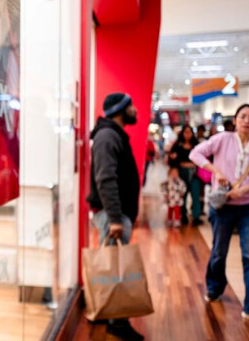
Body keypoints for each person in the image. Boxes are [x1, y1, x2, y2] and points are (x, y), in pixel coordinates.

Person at [190, 104, 249, 326]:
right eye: (242, 116)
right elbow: (195, 153)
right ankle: (214, 288)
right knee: (218, 252)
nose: (246, 121)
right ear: (235, 120)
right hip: (223, 206)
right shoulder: (222, 139)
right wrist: (216, 171)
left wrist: (244, 190)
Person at [87, 92, 143, 341]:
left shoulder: (113, 134)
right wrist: (116, 218)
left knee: (112, 267)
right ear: (121, 109)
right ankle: (116, 323)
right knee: (114, 269)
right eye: (131, 106)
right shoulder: (108, 136)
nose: (135, 110)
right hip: (114, 215)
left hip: (117, 213)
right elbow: (105, 178)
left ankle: (106, 313)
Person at [169, 125, 202, 226]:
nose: (188, 134)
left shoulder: (197, 145)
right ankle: (183, 215)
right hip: (181, 172)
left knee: (196, 195)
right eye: (185, 132)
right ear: (182, 134)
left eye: (189, 132)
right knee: (182, 194)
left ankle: (196, 216)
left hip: (195, 173)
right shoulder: (177, 146)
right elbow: (172, 160)